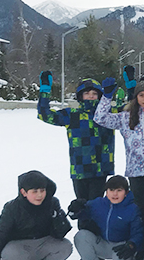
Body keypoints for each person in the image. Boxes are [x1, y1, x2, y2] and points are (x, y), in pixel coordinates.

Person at [94, 76, 144, 260]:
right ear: (135, 97)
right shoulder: (125, 117)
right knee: (138, 216)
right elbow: (100, 118)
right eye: (141, 95)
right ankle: (138, 252)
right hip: (135, 174)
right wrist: (106, 96)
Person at [37, 72, 115, 202]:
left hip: (100, 170)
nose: (91, 96)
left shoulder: (108, 114)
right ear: (80, 96)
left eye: (95, 94)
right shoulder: (72, 115)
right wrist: (45, 90)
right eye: (87, 93)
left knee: (96, 207)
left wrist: (131, 89)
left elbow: (131, 110)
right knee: (82, 207)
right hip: (80, 169)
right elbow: (44, 115)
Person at [67, 175, 144, 260]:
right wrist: (76, 209)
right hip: (102, 243)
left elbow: (138, 232)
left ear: (126, 192)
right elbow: (83, 212)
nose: (115, 194)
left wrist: (132, 244)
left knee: (121, 258)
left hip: (121, 246)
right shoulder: (98, 204)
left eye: (119, 190)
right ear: (106, 191)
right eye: (111, 190)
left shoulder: (132, 208)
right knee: (81, 236)